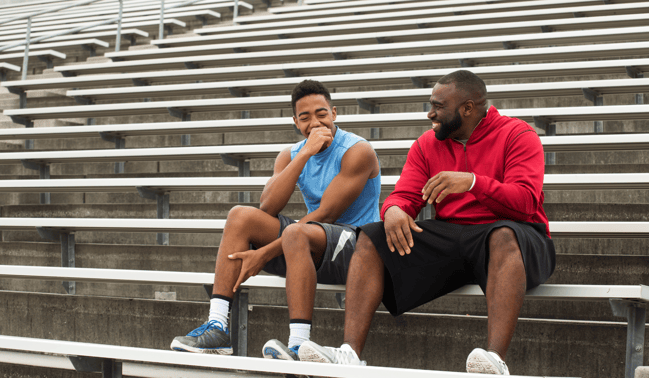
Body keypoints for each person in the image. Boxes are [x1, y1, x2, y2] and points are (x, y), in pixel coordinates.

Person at [298, 70, 556, 375]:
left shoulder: (518, 134)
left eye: (438, 106)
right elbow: (404, 196)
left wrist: (473, 183)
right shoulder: (427, 144)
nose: (430, 113)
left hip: (518, 234)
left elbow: (525, 202)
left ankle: (495, 360)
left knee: (502, 235)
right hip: (454, 235)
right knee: (370, 236)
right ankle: (349, 353)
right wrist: (393, 210)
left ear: (468, 108)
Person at [170, 79, 382, 361]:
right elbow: (268, 205)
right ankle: (218, 326)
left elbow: (327, 214)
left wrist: (265, 253)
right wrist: (305, 153)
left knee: (297, 232)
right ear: (295, 122)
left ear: (334, 113)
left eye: (321, 114)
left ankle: (298, 345)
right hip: (312, 243)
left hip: (357, 249)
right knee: (240, 217)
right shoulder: (291, 154)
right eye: (305, 118)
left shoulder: (357, 151)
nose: (315, 123)